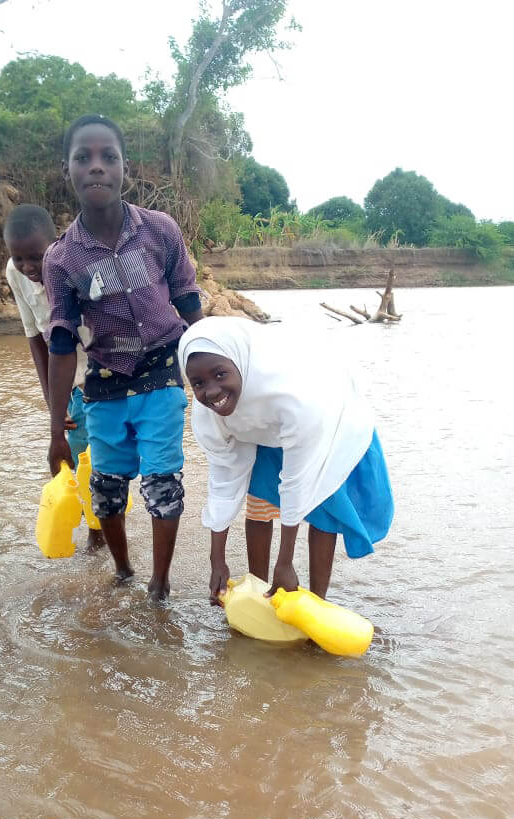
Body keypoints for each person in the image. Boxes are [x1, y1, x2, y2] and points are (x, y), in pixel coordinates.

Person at [44, 114, 204, 600]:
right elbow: (61, 343)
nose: (96, 167)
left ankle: (159, 585)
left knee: (162, 482)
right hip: (105, 382)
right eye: (83, 158)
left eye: (108, 157)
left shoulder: (159, 230)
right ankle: (123, 571)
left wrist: (213, 374)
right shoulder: (61, 259)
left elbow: (188, 301)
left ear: (124, 168)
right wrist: (56, 430)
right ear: (68, 170)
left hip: (162, 371)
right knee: (106, 489)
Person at [178, 316, 394, 604]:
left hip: (325, 416)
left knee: (322, 506)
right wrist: (217, 560)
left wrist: (285, 562)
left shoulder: (293, 396)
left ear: (238, 364)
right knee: (259, 503)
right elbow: (223, 481)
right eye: (198, 383)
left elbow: (297, 482)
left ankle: (317, 600)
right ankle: (259, 590)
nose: (212, 391)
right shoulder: (209, 411)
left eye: (220, 375)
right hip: (262, 428)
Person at [3, 203, 104, 550]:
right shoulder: (15, 273)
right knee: (76, 456)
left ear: (55, 243)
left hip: (102, 369)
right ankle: (95, 532)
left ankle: (100, 534)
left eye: (36, 257)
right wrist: (53, 407)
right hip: (70, 380)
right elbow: (35, 337)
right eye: (19, 258)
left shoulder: (78, 265)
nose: (29, 267)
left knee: (101, 459)